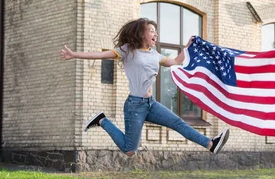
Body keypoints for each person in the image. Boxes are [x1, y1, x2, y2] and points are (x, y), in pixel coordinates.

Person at [61, 18, 230, 157]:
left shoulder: (154, 55)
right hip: (135, 105)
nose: (155, 33)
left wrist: (187, 47)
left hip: (151, 104)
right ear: (142, 33)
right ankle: (101, 120)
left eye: (155, 31)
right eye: (151, 30)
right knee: (129, 150)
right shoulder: (128, 50)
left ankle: (210, 144)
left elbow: (175, 62)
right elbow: (99, 55)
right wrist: (74, 54)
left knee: (178, 122)